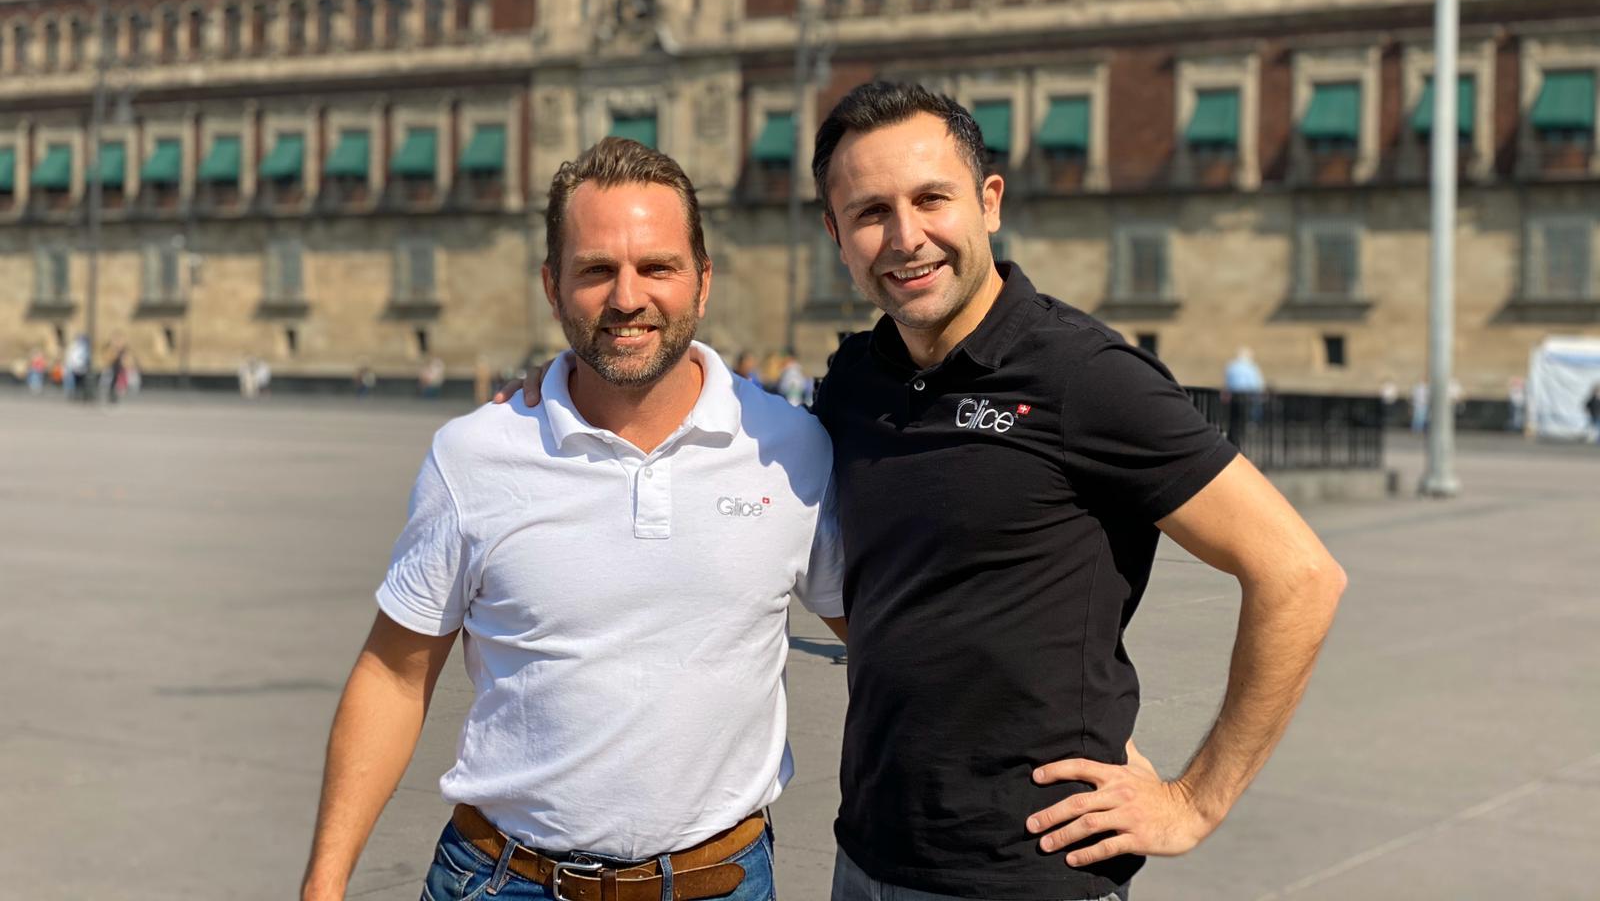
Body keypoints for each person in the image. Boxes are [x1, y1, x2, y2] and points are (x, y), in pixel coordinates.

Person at [809, 82, 1344, 901]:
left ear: (989, 202)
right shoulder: (853, 381)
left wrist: (1194, 802)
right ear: (836, 234)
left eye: (931, 199)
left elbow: (1300, 573)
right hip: (866, 855)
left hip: (1033, 872)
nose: (906, 237)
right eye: (871, 211)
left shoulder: (1082, 375)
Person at [302, 137, 845, 901]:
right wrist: (323, 885)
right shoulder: (475, 456)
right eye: (596, 271)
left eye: (657, 267)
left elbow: (894, 643)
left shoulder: (791, 450)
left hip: (717, 883)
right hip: (503, 880)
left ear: (703, 282)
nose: (628, 298)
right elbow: (393, 677)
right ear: (553, 288)